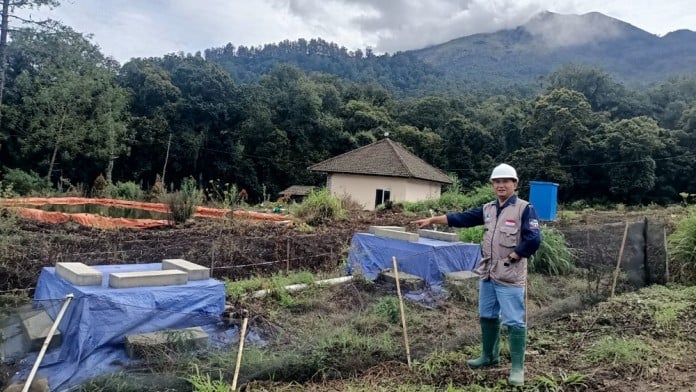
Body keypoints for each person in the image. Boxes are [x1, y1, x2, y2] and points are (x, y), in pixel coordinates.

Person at [412, 163, 541, 386]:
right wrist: (432, 220)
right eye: (497, 181)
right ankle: (489, 356)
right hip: (488, 274)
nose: (501, 185)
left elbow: (533, 239)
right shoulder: (489, 209)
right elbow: (462, 218)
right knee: (487, 316)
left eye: (505, 181)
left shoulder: (524, 209)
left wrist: (513, 256)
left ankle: (517, 368)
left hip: (510, 275)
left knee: (513, 321)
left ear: (515, 184)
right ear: (492, 185)